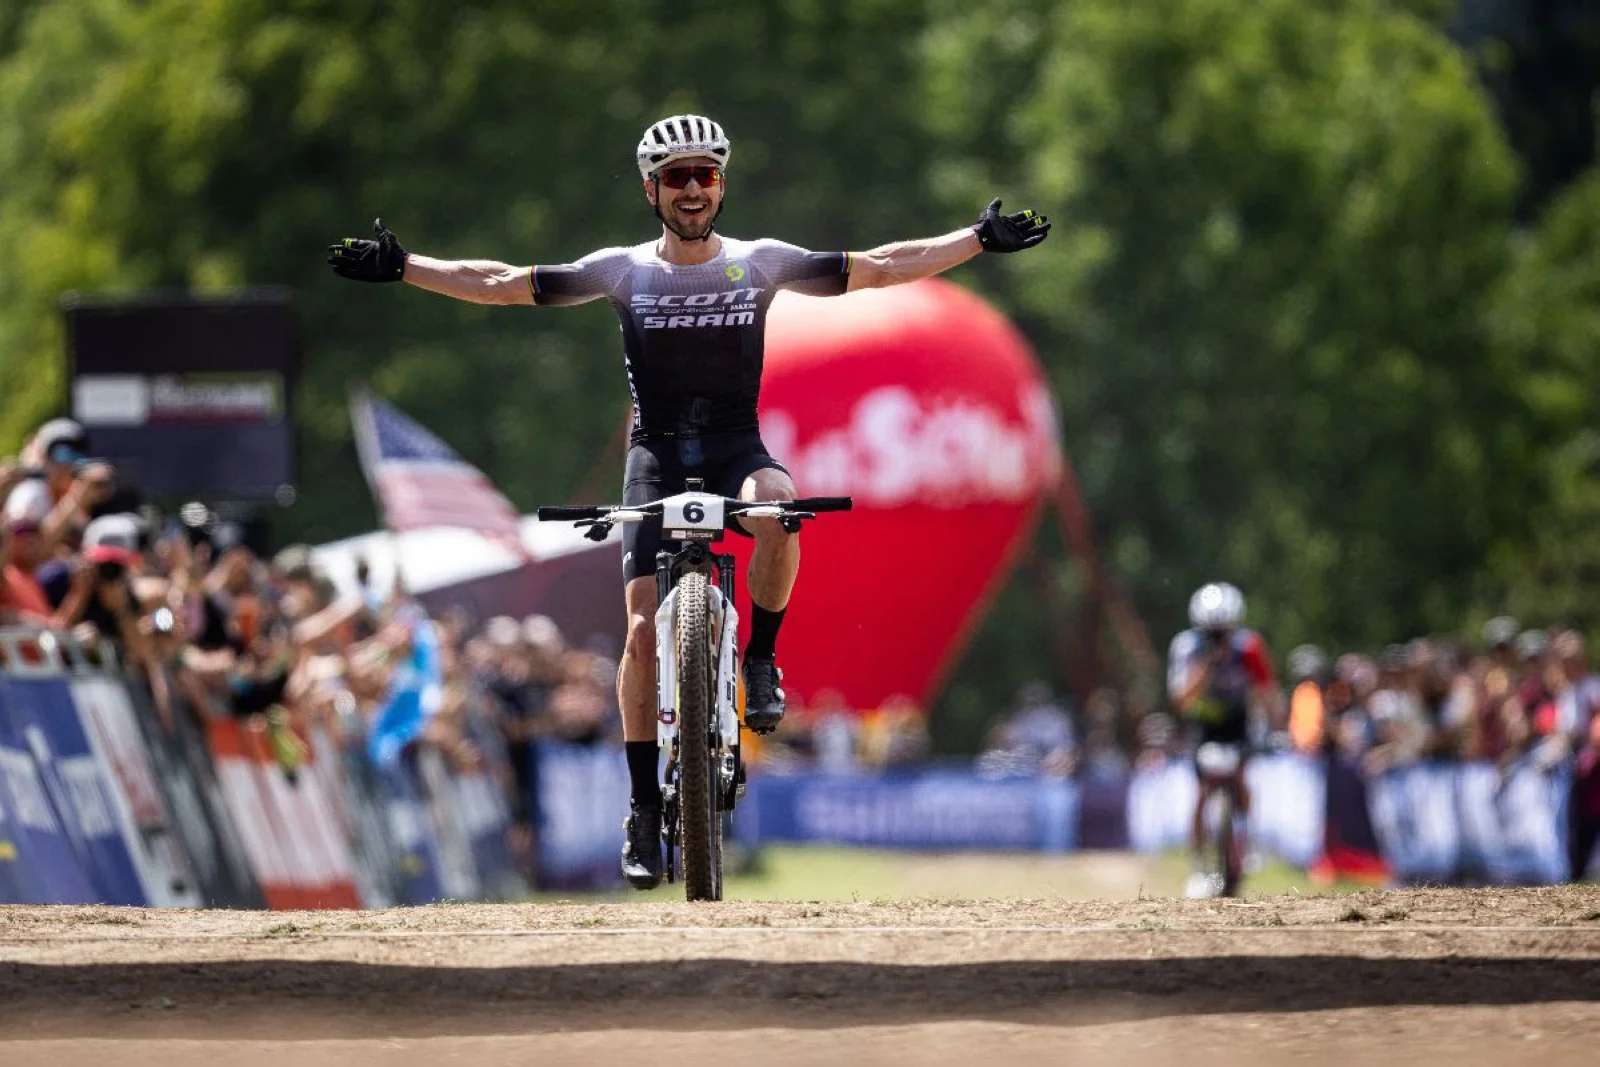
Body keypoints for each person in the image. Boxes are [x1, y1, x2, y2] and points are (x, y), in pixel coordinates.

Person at [326, 113, 1051, 889]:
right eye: (677, 177)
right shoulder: (623, 270)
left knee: (779, 504)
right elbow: (504, 284)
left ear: (723, 183)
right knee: (641, 631)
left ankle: (762, 659)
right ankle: (643, 807)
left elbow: (877, 267)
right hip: (657, 456)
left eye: (706, 173)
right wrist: (405, 266)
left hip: (739, 449)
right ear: (652, 189)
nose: (694, 188)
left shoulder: (762, 263)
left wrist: (975, 239)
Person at [1166, 581, 1282, 897]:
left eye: (1224, 630)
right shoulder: (1188, 647)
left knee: (1243, 780)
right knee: (1202, 792)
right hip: (1203, 725)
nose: (1219, 637)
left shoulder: (1249, 647)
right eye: (1211, 631)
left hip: (1239, 723)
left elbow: (1268, 691)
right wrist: (1206, 665)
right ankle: (1199, 865)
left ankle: (1247, 839)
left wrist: (1277, 727)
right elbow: (1180, 698)